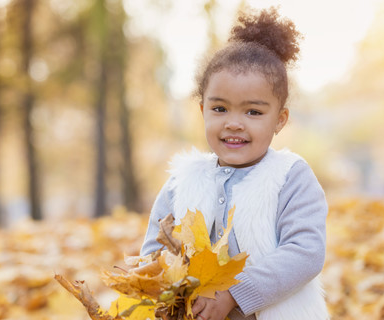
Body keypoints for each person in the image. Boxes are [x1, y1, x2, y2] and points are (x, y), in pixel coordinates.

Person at [140, 7, 329, 320]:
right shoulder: (181, 182)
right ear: (202, 109)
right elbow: (155, 252)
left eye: (253, 112)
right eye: (220, 109)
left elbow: (305, 252)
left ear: (280, 120)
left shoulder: (290, 177)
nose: (234, 124)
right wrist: (160, 285)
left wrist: (235, 293)